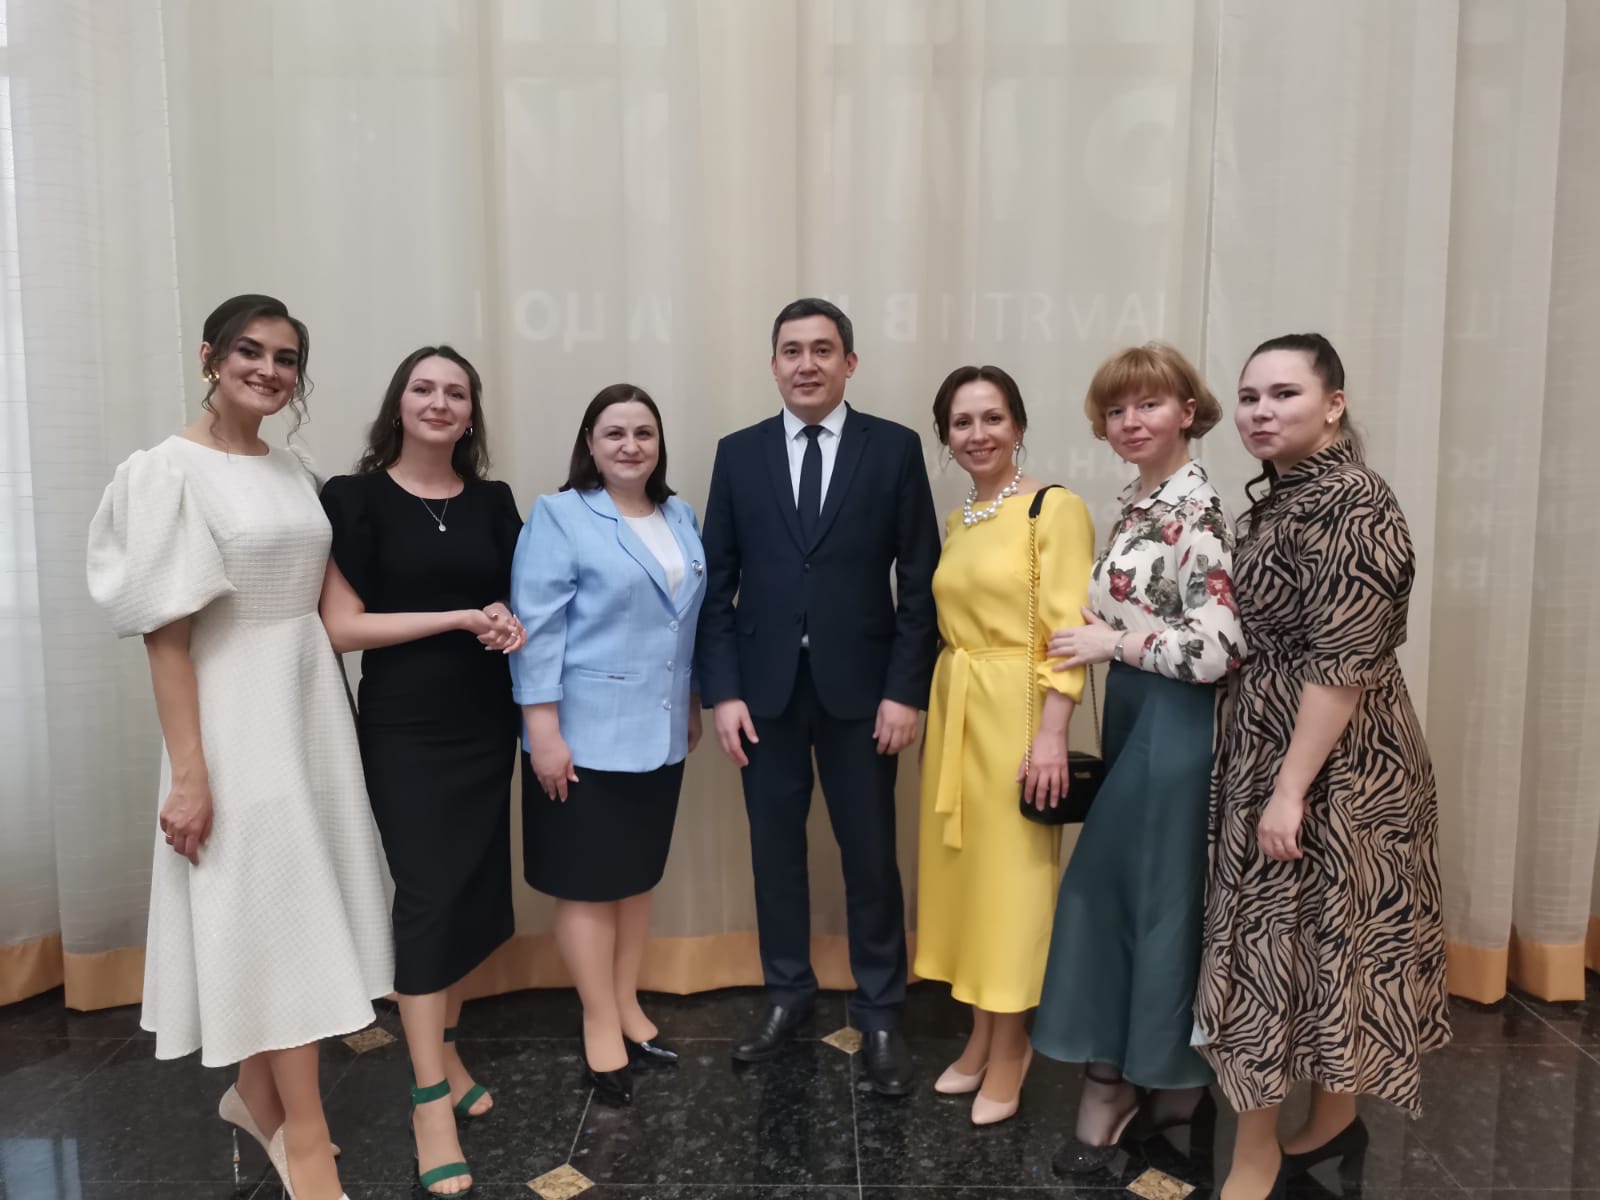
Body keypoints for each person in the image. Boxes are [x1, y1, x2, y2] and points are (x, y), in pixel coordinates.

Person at [86, 294, 391, 1200]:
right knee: (280, 921)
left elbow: (329, 606)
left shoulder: (294, 467)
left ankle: (255, 1099)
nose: (268, 369)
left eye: (285, 358)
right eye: (249, 351)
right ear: (210, 358)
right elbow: (165, 639)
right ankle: (306, 1139)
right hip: (233, 718)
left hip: (308, 708)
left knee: (290, 914)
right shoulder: (164, 473)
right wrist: (189, 774)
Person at [1194, 333, 1449, 1200]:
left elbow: (1343, 665)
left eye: (1284, 394)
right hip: (1278, 749)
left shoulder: (1354, 501)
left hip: (1339, 771)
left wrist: (1289, 790)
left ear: (1334, 405)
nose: (1261, 412)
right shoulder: (1286, 495)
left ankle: (1258, 1153)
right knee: (1311, 947)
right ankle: (1332, 1126)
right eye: (1249, 397)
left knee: (1295, 948)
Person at [697, 297, 940, 1095]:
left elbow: (920, 582)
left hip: (864, 696)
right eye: (792, 350)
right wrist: (722, 692)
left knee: (870, 855)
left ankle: (880, 1010)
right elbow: (716, 585)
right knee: (775, 854)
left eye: (823, 349)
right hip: (762, 696)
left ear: (849, 363)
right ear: (774, 364)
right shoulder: (739, 454)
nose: (807, 364)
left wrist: (906, 691)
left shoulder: (893, 448)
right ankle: (788, 995)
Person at [1031, 343, 1243, 1174]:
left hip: (1176, 726)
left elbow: (1220, 648)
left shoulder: (1198, 510)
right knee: (1136, 900)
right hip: (1139, 717)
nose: (1129, 421)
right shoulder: (1140, 503)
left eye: (1148, 405)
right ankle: (1163, 1086)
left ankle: (1121, 1085)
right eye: (1116, 410)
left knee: (1137, 902)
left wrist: (1112, 643)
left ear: (1187, 411)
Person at [317, 345, 524, 1196]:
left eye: (456, 393)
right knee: (430, 899)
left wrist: (505, 618)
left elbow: (514, 597)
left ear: (471, 414)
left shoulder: (493, 501)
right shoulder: (354, 498)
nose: (439, 402)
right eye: (423, 388)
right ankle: (428, 1101)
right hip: (406, 729)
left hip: (486, 722)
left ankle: (447, 1054)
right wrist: (455, 618)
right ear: (398, 405)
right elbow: (341, 627)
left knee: (469, 894)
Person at [510, 383, 706, 1106]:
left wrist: (690, 702)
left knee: (635, 878)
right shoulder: (560, 515)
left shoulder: (680, 515)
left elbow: (685, 625)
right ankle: (598, 1020)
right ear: (590, 445)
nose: (630, 445)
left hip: (661, 732)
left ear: (659, 445)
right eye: (614, 433)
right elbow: (536, 629)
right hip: (581, 737)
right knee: (590, 886)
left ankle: (625, 1003)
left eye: (643, 433)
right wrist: (543, 733)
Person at [914, 365, 1094, 1125]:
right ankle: (983, 1036)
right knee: (970, 885)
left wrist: (1052, 734)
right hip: (958, 705)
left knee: (1013, 889)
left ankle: (1013, 1048)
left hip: (1017, 712)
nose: (978, 434)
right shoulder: (961, 520)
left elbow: (1068, 628)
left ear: (1018, 425)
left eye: (993, 418)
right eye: (962, 422)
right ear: (946, 436)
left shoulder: (1054, 508)